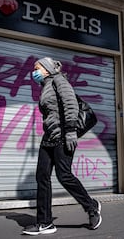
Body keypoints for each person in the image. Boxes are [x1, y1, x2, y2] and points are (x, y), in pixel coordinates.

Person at [22, 57, 102, 236]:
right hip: (49, 136)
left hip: (64, 136)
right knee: (42, 176)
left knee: (64, 175)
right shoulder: (45, 86)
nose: (34, 71)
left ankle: (92, 207)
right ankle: (45, 223)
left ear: (47, 68)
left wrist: (72, 131)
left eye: (37, 68)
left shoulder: (59, 80)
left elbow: (70, 104)